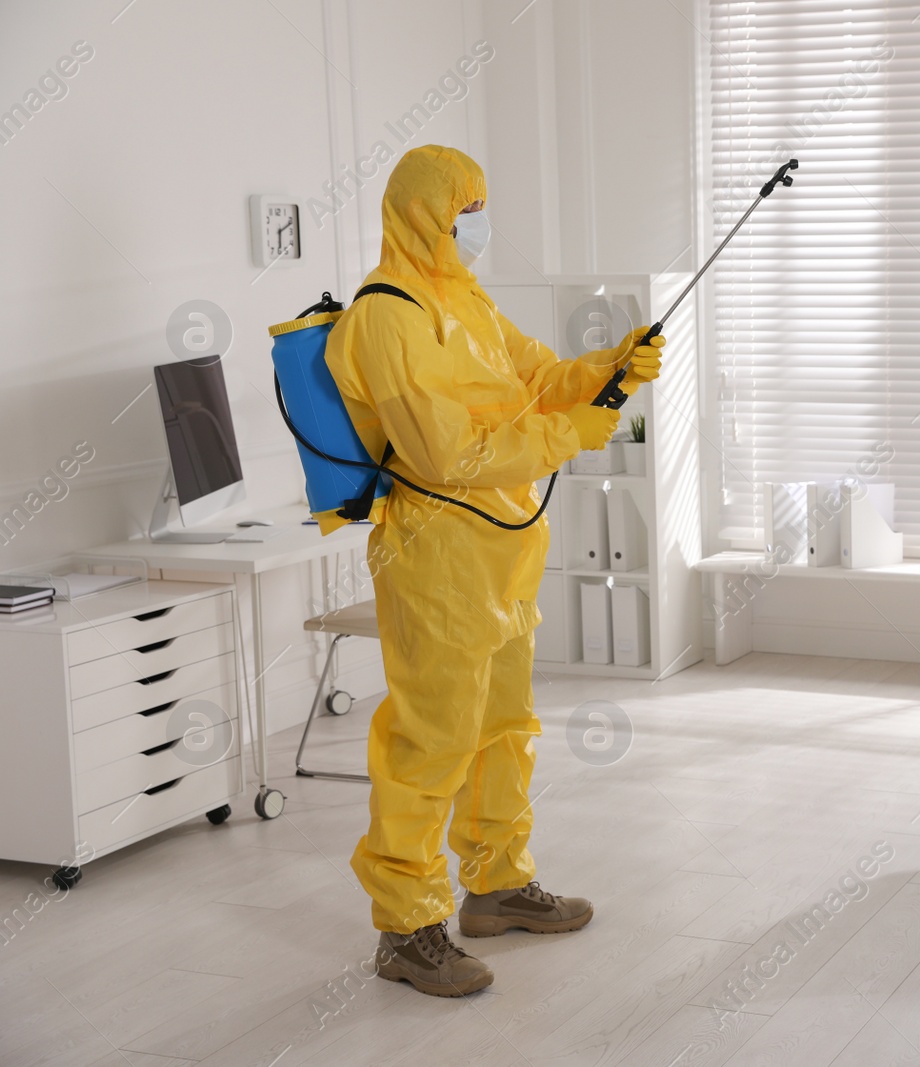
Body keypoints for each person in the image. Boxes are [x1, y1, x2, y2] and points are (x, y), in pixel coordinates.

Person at [324, 144, 663, 997]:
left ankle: (497, 882)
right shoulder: (387, 317)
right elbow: (448, 451)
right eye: (465, 208)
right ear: (423, 214)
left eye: (480, 205)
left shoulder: (462, 296)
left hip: (505, 543)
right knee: (429, 738)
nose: (478, 222)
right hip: (434, 551)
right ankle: (405, 927)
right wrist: (573, 434)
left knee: (505, 724)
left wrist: (608, 367)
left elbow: (535, 378)